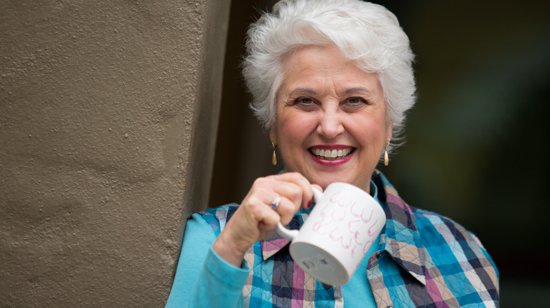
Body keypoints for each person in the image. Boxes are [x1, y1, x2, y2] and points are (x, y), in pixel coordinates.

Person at [165, 0, 499, 307]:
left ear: (389, 124)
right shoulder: (216, 241)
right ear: (273, 126)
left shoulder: (462, 252)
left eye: (354, 101)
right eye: (305, 101)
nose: (328, 126)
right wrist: (231, 249)